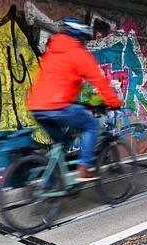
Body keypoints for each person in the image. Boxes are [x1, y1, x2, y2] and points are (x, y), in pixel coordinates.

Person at [26, 18, 122, 180]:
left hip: (37, 107)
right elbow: (99, 80)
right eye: (83, 40)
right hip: (58, 106)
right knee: (90, 125)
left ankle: (48, 184)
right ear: (78, 37)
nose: (84, 44)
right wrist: (114, 102)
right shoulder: (77, 52)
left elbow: (55, 82)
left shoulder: (51, 53)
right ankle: (84, 167)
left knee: (61, 144)